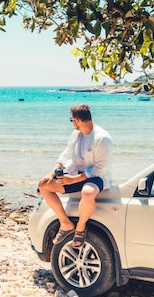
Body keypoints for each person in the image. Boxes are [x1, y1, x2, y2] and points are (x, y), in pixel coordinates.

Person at [37, 104, 113, 248]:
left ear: (77, 120)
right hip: (76, 173)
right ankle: (65, 224)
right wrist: (52, 173)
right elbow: (66, 155)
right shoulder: (76, 134)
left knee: (88, 192)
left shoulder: (102, 138)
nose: (72, 123)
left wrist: (73, 180)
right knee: (44, 186)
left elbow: (99, 169)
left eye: (72, 120)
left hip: (97, 177)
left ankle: (80, 228)